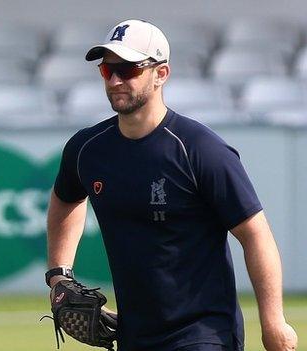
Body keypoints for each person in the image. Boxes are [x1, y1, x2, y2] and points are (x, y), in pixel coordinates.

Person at [46, 19, 297, 351]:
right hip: (133, 336)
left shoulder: (200, 150)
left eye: (129, 70)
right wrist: (59, 274)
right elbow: (65, 200)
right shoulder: (87, 149)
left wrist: (273, 322)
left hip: (205, 334)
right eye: (108, 71)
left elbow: (256, 234)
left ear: (161, 74)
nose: (117, 80)